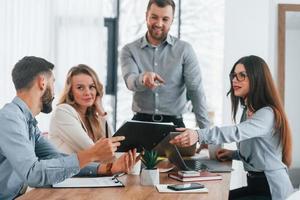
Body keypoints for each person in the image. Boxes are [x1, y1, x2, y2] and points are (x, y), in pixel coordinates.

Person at [0, 56, 126, 200]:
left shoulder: (28, 123)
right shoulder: (9, 118)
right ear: (42, 82)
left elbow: (58, 159)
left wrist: (106, 168)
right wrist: (91, 154)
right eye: (53, 83)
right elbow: (33, 174)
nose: (54, 91)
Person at [170, 55, 294, 200]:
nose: (235, 80)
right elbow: (260, 152)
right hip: (256, 185)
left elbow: (236, 132)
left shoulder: (267, 114)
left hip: (272, 191)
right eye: (234, 75)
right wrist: (233, 154)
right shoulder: (248, 112)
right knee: (217, 197)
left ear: (257, 79)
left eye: (242, 76)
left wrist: (198, 135)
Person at [120, 0, 210, 128]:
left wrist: (205, 132)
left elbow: (195, 91)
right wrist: (143, 78)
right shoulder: (129, 50)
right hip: (140, 123)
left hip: (175, 124)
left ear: (172, 20)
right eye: (154, 17)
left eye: (165, 19)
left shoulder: (184, 50)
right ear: (146, 16)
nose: (159, 23)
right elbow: (130, 81)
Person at [49, 64, 138, 175]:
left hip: (88, 177)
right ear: (71, 92)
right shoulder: (63, 112)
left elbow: (112, 145)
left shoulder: (93, 116)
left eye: (91, 87)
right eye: (80, 88)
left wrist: (101, 111)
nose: (87, 92)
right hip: (66, 181)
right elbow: (98, 153)